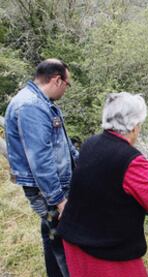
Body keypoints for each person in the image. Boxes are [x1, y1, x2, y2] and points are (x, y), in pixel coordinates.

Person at [57, 92, 148, 277]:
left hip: (75, 238)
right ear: (134, 127)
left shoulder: (91, 143)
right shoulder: (130, 159)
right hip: (103, 250)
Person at [4, 59, 78, 277]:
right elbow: (41, 160)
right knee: (64, 244)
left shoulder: (37, 101)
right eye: (67, 83)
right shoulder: (32, 107)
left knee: (52, 235)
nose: (66, 89)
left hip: (48, 188)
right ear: (57, 80)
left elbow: (62, 145)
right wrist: (59, 200)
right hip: (48, 190)